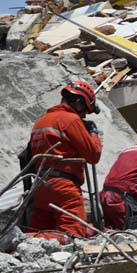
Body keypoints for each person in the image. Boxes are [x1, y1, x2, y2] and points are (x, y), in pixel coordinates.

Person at [28, 80, 102, 244]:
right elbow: (93, 156)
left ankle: (18, 240)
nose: (83, 117)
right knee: (73, 235)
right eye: (84, 112)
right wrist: (93, 133)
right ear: (78, 102)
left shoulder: (42, 121)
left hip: (40, 185)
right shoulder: (70, 119)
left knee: (38, 236)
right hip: (63, 187)